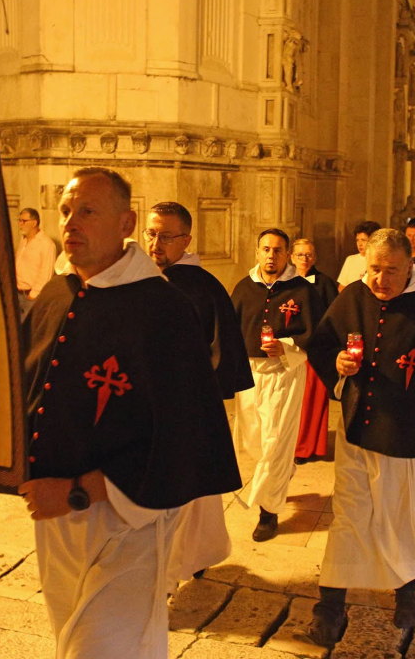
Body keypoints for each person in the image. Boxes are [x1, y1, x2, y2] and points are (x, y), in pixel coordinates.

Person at [17, 168, 242, 657]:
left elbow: (183, 432)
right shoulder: (54, 296)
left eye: (88, 211)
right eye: (66, 212)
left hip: (129, 519)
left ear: (126, 223)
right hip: (54, 519)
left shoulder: (163, 309)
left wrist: (80, 492)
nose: (71, 223)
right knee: (75, 636)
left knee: (100, 648)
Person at [302, 229, 415, 645]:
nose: (380, 280)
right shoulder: (352, 297)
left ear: (410, 265)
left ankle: (407, 592)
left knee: (403, 520)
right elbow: (323, 343)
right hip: (358, 432)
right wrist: (338, 365)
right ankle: (329, 606)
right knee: (348, 519)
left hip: (412, 440)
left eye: (391, 271)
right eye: (374, 269)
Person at [142, 201, 254, 588]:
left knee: (185, 494)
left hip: (186, 412)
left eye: (166, 236)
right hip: (147, 410)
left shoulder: (203, 289)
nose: (156, 244)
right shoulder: (140, 281)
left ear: (186, 240)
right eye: (151, 233)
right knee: (186, 494)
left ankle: (174, 570)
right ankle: (194, 556)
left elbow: (221, 354)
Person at [231, 229, 324, 541]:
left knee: (275, 443)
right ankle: (283, 471)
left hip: (283, 371)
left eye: (278, 250)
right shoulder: (244, 288)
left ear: (287, 255)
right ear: (257, 252)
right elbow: (233, 329)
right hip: (249, 372)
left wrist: (286, 345)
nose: (271, 256)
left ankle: (268, 513)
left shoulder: (302, 290)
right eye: (266, 249)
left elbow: (316, 332)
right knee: (253, 441)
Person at [292, 239, 339, 463]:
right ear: (291, 257)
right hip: (289, 349)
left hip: (316, 350)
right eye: (300, 254)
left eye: (309, 254)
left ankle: (309, 447)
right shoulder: (284, 282)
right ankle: (290, 445)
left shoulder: (326, 284)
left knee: (312, 400)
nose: (305, 259)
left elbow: (336, 317)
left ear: (315, 258)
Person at [15, 207, 58, 317]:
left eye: (23, 221)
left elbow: (46, 274)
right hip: (18, 294)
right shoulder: (23, 241)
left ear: (34, 223)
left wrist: (33, 295)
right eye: (19, 220)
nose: (20, 224)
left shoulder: (46, 244)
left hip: (31, 298)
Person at [337, 221, 381, 287]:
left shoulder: (382, 260)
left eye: (363, 240)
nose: (359, 244)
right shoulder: (351, 260)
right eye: (357, 240)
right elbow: (342, 287)